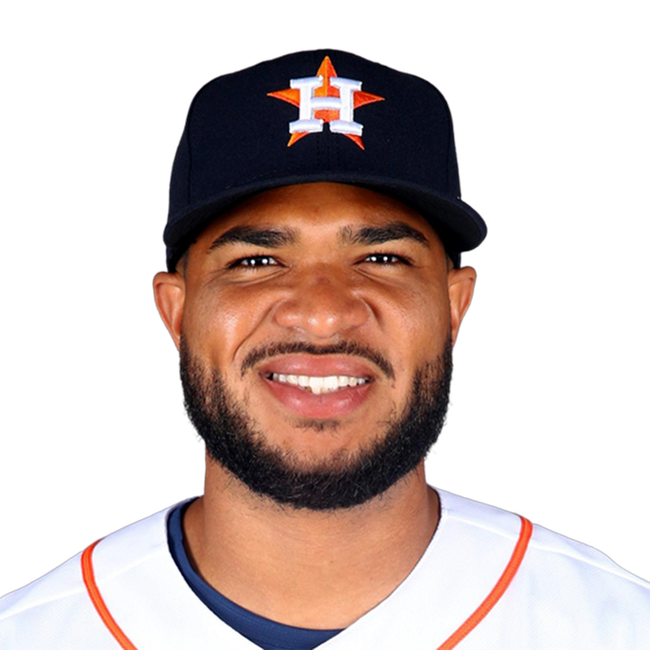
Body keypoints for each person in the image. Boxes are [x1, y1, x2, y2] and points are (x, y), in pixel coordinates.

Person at [1, 48, 648, 650]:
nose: (322, 313)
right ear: (176, 313)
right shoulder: (32, 634)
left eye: (382, 258)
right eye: (256, 260)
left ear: (455, 307)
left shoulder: (615, 625)